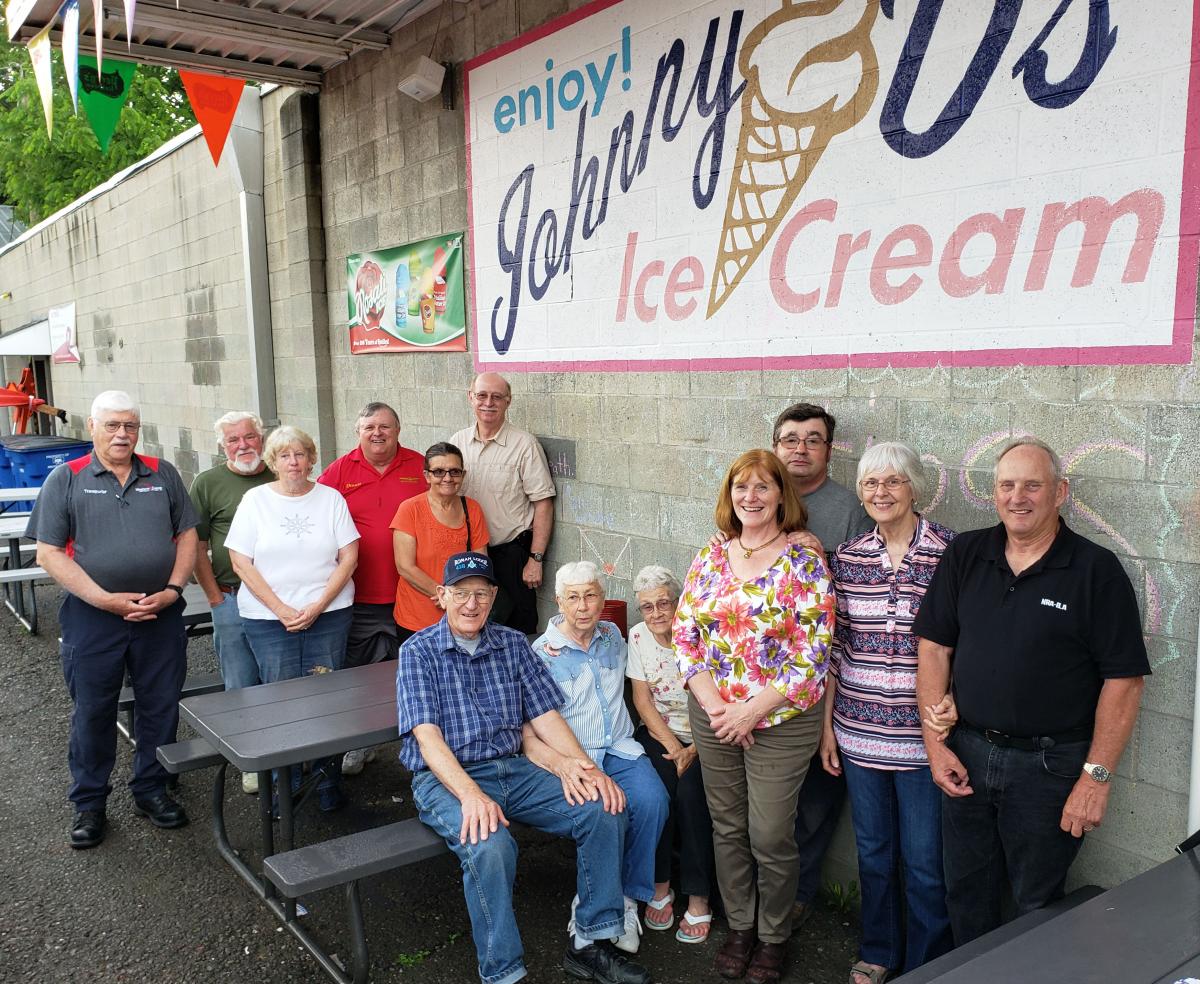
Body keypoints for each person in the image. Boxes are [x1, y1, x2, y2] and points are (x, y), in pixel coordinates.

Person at [914, 437, 1149, 945]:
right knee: (967, 892)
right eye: (1006, 485)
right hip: (969, 753)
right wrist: (936, 746)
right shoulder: (967, 553)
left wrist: (1096, 779)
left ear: (1060, 491)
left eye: (1032, 485)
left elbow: (1124, 681)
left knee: (1037, 905)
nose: (1018, 497)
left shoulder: (1094, 571)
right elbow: (934, 648)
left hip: (1050, 769)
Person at [396, 551, 652, 984]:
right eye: (460, 593)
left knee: (603, 805)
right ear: (442, 596)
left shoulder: (513, 644)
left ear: (494, 595)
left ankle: (590, 942)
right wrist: (471, 795)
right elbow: (427, 738)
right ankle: (502, 972)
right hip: (448, 778)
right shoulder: (417, 652)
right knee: (491, 846)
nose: (471, 604)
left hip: (512, 769)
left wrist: (585, 769)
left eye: (481, 593)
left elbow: (545, 717)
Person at [674, 449, 834, 984]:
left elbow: (813, 653)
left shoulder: (804, 560)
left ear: (780, 495)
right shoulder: (710, 556)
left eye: (763, 487)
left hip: (781, 719)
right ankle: (739, 927)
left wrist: (750, 710)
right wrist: (719, 709)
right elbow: (686, 635)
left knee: (769, 833)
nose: (751, 497)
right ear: (730, 496)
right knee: (728, 826)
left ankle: (773, 934)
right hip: (715, 715)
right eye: (742, 487)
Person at [30, 390, 198, 848]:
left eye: (130, 426)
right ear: (92, 427)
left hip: (160, 615)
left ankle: (151, 788)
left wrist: (173, 590)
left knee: (159, 705)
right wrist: (104, 600)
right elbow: (48, 554)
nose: (122, 434)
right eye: (112, 425)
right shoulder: (66, 478)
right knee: (93, 710)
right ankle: (89, 804)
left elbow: (187, 535)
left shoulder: (162, 473)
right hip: (94, 618)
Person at [819, 443, 955, 983]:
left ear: (914, 487)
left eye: (893, 482)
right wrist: (828, 728)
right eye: (871, 484)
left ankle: (927, 964)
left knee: (925, 865)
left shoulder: (950, 551)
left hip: (925, 744)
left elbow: (964, 642)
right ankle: (878, 952)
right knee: (874, 857)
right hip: (859, 735)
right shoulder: (848, 558)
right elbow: (836, 649)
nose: (881, 493)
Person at [526, 562, 670, 956]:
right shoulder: (542, 653)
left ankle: (625, 897)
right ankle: (593, 902)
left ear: (602, 599)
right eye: (573, 597)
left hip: (620, 746)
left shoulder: (612, 637)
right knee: (609, 812)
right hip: (577, 756)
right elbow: (534, 723)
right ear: (559, 602)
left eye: (591, 595)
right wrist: (564, 764)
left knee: (653, 801)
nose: (583, 606)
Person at [771, 401, 872, 929]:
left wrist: (820, 559)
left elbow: (860, 597)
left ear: (829, 451)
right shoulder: (758, 495)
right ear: (776, 446)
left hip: (825, 677)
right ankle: (755, 904)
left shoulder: (848, 510)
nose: (801, 449)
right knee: (765, 809)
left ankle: (796, 901)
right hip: (759, 677)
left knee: (814, 799)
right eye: (791, 439)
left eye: (813, 440)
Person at [225, 425, 360, 813]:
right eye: (284, 455)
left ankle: (326, 783)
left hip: (329, 616)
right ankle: (285, 785)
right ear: (273, 461)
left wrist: (317, 605)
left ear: (311, 458)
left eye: (300, 454)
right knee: (279, 701)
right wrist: (281, 609)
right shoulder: (255, 501)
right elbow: (240, 560)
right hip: (268, 621)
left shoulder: (330, 499)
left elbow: (349, 557)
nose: (293, 462)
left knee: (327, 699)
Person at [318, 401, 424, 775]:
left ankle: (421, 747)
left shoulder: (419, 466)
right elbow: (317, 518)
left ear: (399, 430)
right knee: (358, 674)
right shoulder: (340, 470)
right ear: (357, 432)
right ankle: (358, 744)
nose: (377, 433)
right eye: (369, 428)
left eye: (385, 427)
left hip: (413, 594)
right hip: (359, 595)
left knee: (413, 674)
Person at [626, 564, 715, 944]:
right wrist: (675, 749)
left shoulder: (701, 635)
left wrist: (695, 747)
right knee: (656, 796)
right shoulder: (637, 636)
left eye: (664, 603)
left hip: (708, 738)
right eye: (648, 606)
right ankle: (660, 885)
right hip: (662, 737)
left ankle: (699, 897)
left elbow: (720, 701)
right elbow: (642, 701)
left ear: (680, 603)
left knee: (693, 797)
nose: (657, 613)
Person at [188, 410, 274, 794]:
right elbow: (196, 545)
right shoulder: (207, 483)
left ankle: (284, 751)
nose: (243, 446)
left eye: (249, 437)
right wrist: (213, 596)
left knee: (278, 682)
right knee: (240, 680)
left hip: (282, 602)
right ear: (222, 446)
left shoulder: (280, 472)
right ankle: (250, 759)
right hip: (232, 596)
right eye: (233, 440)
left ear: (262, 437)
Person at [450, 373, 555, 632]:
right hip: (469, 555)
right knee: (471, 626)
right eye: (482, 396)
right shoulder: (457, 443)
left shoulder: (524, 445)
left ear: (508, 401)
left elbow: (543, 502)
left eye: (497, 397)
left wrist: (536, 559)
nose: (489, 403)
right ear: (470, 398)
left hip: (511, 555)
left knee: (519, 627)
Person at [390, 442, 489, 637]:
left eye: (455, 471)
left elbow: (480, 564)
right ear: (426, 475)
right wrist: (445, 596)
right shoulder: (410, 510)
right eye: (438, 472)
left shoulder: (472, 509)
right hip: (417, 618)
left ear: (463, 475)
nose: (447, 478)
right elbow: (405, 567)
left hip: (463, 615)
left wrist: (461, 601)